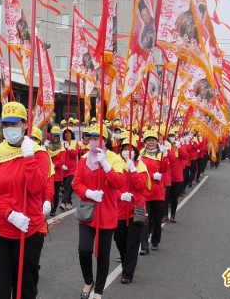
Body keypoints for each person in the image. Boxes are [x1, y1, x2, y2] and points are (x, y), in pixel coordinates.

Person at [0, 102, 50, 299]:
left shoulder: (39, 154)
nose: (10, 129)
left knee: (25, 290)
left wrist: (28, 156)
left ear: (25, 124)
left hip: (29, 232)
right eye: (6, 125)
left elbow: (37, 187)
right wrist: (10, 214)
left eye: (15, 123)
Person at [72, 126, 124, 298]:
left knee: (103, 254)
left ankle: (99, 291)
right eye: (91, 137)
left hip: (107, 212)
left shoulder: (114, 158)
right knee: (84, 249)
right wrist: (88, 193)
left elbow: (119, 183)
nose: (94, 140)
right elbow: (76, 182)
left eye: (98, 137)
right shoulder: (84, 159)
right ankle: (89, 281)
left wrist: (106, 165)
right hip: (88, 212)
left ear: (105, 139)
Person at [113, 137, 148, 284]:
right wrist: (121, 195)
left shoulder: (140, 166)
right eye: (125, 148)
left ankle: (127, 273)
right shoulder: (114, 165)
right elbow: (110, 188)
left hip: (137, 209)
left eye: (130, 149)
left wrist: (132, 169)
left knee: (132, 243)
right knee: (119, 240)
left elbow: (141, 187)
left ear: (135, 151)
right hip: (119, 209)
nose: (127, 151)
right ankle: (126, 261)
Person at [139, 129, 169, 254]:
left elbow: (165, 169)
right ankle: (144, 245)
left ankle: (155, 241)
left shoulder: (161, 154)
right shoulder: (140, 155)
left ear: (157, 142)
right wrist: (151, 176)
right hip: (145, 191)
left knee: (157, 219)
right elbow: (139, 172)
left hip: (157, 192)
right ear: (145, 142)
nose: (150, 142)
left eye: (153, 140)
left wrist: (166, 156)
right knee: (144, 219)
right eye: (148, 140)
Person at [166, 128, 188, 222]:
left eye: (172, 135)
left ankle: (173, 215)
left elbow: (185, 156)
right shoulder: (165, 146)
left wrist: (179, 148)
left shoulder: (178, 146)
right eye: (169, 135)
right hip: (167, 176)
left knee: (175, 197)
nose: (171, 137)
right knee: (166, 198)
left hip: (177, 177)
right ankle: (165, 215)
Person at [45, 125, 65, 216]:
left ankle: (53, 209)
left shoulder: (61, 147)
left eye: (57, 136)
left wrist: (54, 165)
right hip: (48, 173)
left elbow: (62, 161)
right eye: (54, 135)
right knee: (47, 191)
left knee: (55, 193)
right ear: (51, 135)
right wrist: (44, 147)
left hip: (57, 174)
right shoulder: (47, 145)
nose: (56, 137)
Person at [60, 127, 78, 210]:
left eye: (69, 133)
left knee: (68, 184)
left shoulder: (75, 143)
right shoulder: (62, 144)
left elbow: (75, 155)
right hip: (64, 169)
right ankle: (69, 203)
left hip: (73, 169)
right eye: (66, 133)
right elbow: (60, 156)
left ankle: (63, 202)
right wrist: (62, 165)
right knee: (67, 187)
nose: (68, 135)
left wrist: (69, 148)